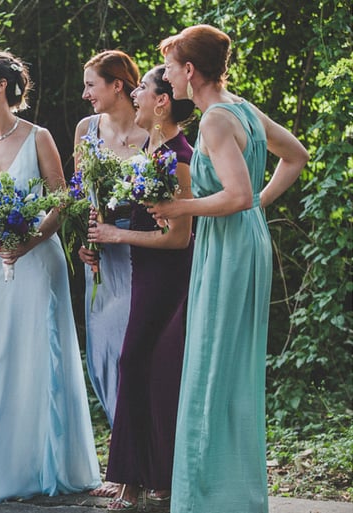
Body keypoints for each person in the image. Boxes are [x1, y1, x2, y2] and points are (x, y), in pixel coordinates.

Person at [149, 25, 309, 513]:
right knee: (229, 366)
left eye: (171, 67)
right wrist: (257, 207)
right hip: (245, 242)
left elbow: (236, 194)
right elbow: (295, 156)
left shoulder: (216, 119)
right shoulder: (243, 109)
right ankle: (229, 492)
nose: (167, 76)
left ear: (189, 70)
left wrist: (179, 209)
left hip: (230, 250)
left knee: (212, 365)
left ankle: (211, 498)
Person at [0, 51, 100, 510]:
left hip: (37, 260)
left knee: (37, 357)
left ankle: (43, 465)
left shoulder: (39, 136)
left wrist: (29, 240)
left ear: (1, 86)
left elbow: (61, 199)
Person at [86, 65, 195, 510]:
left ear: (162, 101)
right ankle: (135, 478)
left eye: (143, 90)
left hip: (168, 274)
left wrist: (118, 236)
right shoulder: (148, 148)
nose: (135, 96)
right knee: (138, 366)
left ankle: (155, 477)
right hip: (142, 268)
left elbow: (179, 236)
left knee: (149, 367)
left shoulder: (179, 155)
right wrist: (99, 230)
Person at [73, 50, 146, 499]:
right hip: (100, 258)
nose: (85, 94)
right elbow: (81, 192)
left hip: (140, 255)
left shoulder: (150, 129)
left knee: (130, 357)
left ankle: (132, 469)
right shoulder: (87, 131)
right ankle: (126, 460)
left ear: (117, 85)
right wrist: (84, 237)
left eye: (91, 85)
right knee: (101, 356)